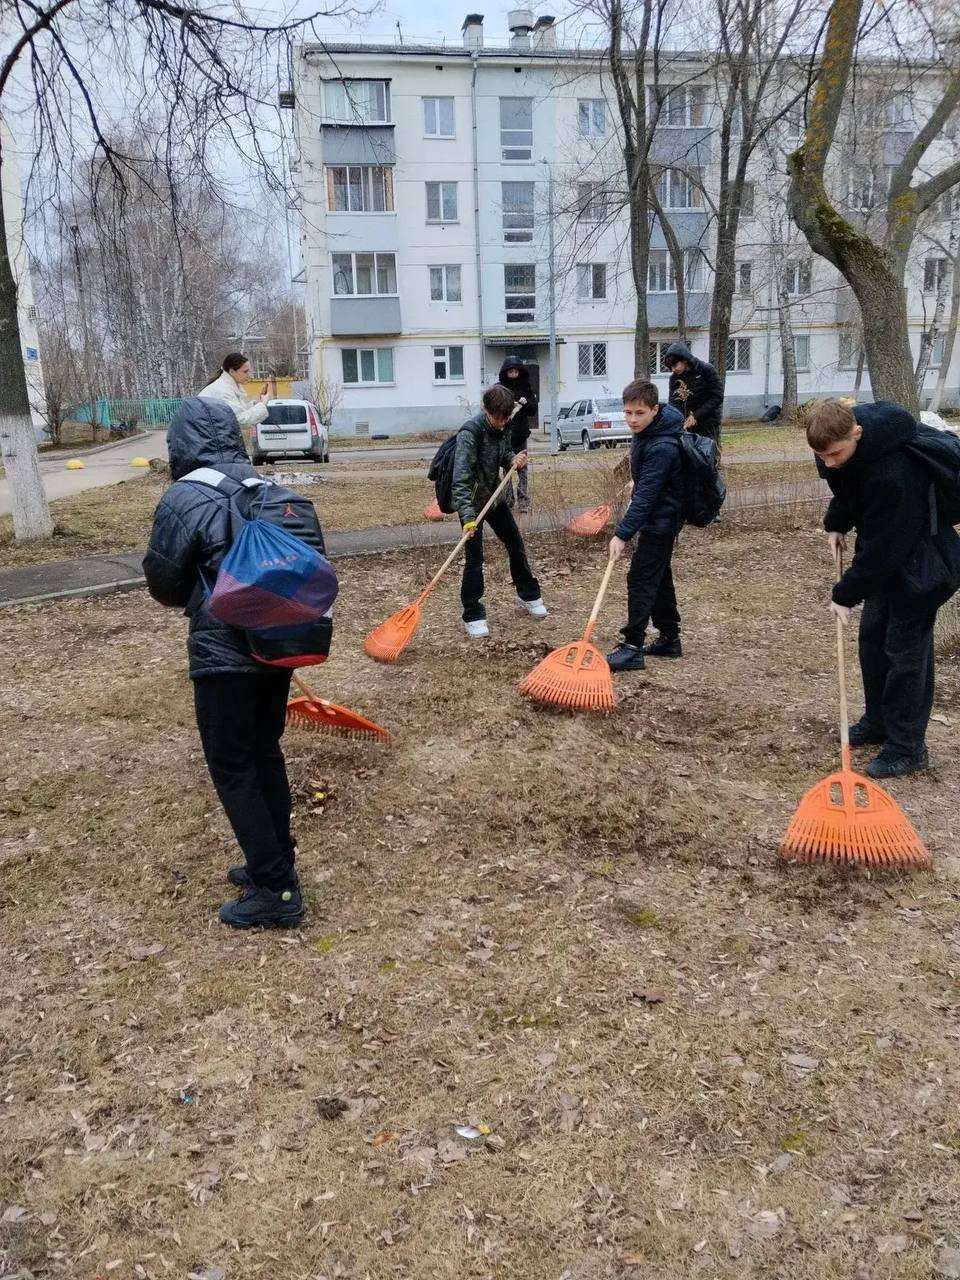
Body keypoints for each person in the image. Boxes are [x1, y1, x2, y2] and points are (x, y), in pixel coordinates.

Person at [143, 396, 324, 928]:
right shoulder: (275, 491)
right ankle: (275, 860)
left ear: (180, 444)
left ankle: (276, 890)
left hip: (223, 653)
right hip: (279, 642)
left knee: (232, 761)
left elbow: (165, 583)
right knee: (262, 749)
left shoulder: (184, 498)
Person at [805, 397, 960, 779]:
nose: (829, 462)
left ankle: (907, 747)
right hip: (890, 563)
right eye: (821, 456)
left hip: (923, 564)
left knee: (906, 655)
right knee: (873, 642)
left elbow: (884, 546)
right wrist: (836, 521)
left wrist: (844, 593)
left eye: (835, 454)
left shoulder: (893, 473)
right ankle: (878, 722)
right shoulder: (843, 451)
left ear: (857, 433)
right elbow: (847, 489)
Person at [451, 384, 547, 638]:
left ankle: (528, 594)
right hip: (471, 504)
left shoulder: (504, 424)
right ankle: (473, 613)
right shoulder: (469, 434)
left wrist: (512, 459)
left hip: (496, 498)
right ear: (486, 410)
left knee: (515, 544)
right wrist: (468, 519)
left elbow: (504, 452)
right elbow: (459, 480)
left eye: (506, 418)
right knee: (475, 558)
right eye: (498, 418)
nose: (503, 423)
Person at [605, 380, 686, 672]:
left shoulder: (662, 444)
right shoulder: (649, 432)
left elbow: (648, 498)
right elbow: (651, 480)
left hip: (662, 520)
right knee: (658, 577)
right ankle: (669, 639)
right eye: (627, 412)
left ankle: (632, 647)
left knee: (640, 579)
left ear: (654, 409)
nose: (632, 419)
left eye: (639, 413)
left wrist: (622, 534)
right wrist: (637, 480)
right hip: (659, 514)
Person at [663, 341, 723, 443]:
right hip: (686, 426)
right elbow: (673, 402)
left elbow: (717, 397)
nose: (673, 369)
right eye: (671, 367)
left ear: (684, 360)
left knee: (707, 456)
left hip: (708, 424)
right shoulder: (674, 379)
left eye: (675, 365)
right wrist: (678, 420)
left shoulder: (706, 370)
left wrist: (696, 416)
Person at [498, 356, 538, 512]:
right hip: (505, 437)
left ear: (520, 372)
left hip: (521, 435)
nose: (513, 374)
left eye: (516, 371)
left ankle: (523, 501)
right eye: (510, 372)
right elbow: (495, 409)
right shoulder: (501, 389)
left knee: (523, 469)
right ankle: (508, 501)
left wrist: (526, 403)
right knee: (507, 469)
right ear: (505, 373)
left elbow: (533, 410)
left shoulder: (526, 389)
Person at [199, 352, 271, 431]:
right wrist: (263, 404)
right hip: (206, 439)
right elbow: (240, 421)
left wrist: (258, 403)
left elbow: (239, 410)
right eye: (245, 372)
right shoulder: (224, 390)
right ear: (232, 372)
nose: (250, 375)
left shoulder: (227, 386)